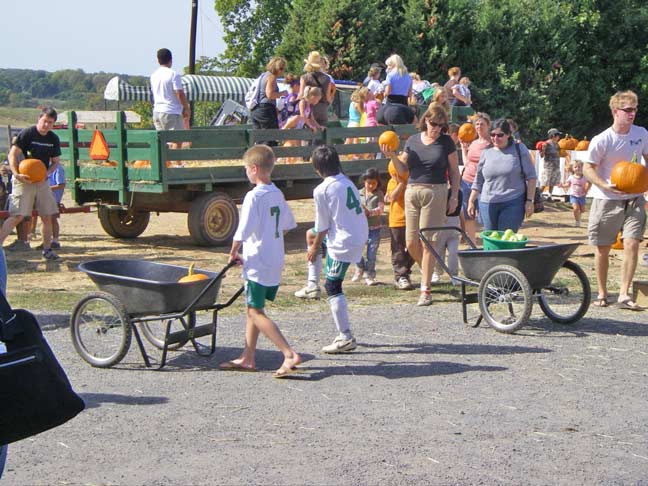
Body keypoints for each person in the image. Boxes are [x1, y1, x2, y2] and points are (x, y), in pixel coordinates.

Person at [220, 145, 301, 377]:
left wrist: (234, 250)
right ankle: (248, 357)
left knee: (256, 311)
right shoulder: (277, 193)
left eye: (246, 168)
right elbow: (286, 224)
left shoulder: (254, 196)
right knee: (252, 308)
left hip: (258, 261)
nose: (246, 172)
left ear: (254, 169)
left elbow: (243, 228)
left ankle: (288, 353)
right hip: (274, 259)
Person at [381, 104, 460, 307]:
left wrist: (453, 196)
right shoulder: (414, 140)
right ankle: (430, 269)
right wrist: (391, 156)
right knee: (410, 243)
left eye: (441, 126)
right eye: (433, 124)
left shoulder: (446, 142)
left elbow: (454, 171)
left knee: (428, 242)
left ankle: (425, 290)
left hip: (436, 191)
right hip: (412, 190)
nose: (436, 128)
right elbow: (402, 168)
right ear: (426, 120)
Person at [583, 90, 648, 310]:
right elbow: (588, 167)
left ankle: (623, 294)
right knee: (603, 248)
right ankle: (602, 292)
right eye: (628, 110)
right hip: (607, 198)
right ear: (615, 112)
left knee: (632, 243)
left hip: (635, 198)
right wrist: (603, 184)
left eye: (635, 109)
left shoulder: (641, 133)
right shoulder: (602, 139)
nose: (632, 114)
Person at [307, 145, 368, 353]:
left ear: (317, 168)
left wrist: (315, 248)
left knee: (332, 286)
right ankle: (310, 285)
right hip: (359, 234)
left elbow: (322, 227)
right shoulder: (346, 181)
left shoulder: (322, 190)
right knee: (309, 234)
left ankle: (345, 336)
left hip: (344, 241)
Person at [0, 107, 62, 260]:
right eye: (44, 121)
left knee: (47, 216)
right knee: (17, 215)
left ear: (53, 124)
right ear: (39, 119)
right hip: (23, 179)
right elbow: (12, 154)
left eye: (50, 123)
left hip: (42, 181)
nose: (46, 125)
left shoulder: (53, 139)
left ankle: (47, 250)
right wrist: (16, 174)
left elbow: (55, 162)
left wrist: (47, 174)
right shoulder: (27, 133)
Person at [468, 118, 537, 233]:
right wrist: (471, 201)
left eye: (500, 135)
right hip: (487, 203)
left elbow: (531, 177)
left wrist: (529, 200)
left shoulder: (519, 149)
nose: (495, 138)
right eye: (492, 134)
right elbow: (479, 180)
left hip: (512, 202)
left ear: (508, 135)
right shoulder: (486, 152)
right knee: (491, 239)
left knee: (506, 240)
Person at [150, 48, 191, 150]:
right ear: (171, 60)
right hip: (171, 111)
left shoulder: (153, 75)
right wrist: (186, 108)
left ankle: (164, 164)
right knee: (177, 139)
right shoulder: (173, 74)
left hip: (157, 111)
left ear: (158, 60)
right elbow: (179, 93)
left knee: (162, 141)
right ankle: (176, 164)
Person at [460, 112, 491, 243]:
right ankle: (471, 243)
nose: (479, 126)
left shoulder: (491, 143)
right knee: (468, 214)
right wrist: (463, 148)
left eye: (482, 124)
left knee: (486, 215)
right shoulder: (473, 143)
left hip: (484, 184)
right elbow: (467, 161)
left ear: (488, 126)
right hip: (467, 181)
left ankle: (488, 241)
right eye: (477, 124)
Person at [385, 158, 415, 290]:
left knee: (414, 247)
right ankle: (400, 275)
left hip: (412, 219)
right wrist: (401, 183)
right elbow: (393, 197)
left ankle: (405, 269)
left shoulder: (412, 181)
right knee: (398, 250)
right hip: (397, 221)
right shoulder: (392, 183)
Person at [352, 168, 384, 286]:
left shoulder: (378, 194)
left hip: (374, 228)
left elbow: (380, 210)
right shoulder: (358, 193)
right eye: (368, 183)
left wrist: (369, 212)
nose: (371, 186)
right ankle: (360, 268)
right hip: (360, 228)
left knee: (371, 253)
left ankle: (369, 274)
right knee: (356, 249)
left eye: (374, 183)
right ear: (364, 181)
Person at [249, 57, 289, 144]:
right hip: (266, 109)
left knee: (259, 138)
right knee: (270, 137)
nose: (282, 72)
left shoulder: (263, 75)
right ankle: (268, 156)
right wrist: (283, 93)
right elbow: (270, 94)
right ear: (278, 68)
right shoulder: (272, 77)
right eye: (282, 69)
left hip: (255, 109)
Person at [376, 54, 414, 126]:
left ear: (393, 64)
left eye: (389, 65)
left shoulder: (390, 75)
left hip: (391, 104)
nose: (388, 68)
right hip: (404, 104)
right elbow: (410, 94)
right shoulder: (409, 77)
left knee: (379, 119)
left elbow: (387, 92)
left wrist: (382, 94)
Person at [300, 51, 335, 128]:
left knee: (308, 135)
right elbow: (328, 98)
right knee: (322, 134)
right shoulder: (327, 78)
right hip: (323, 108)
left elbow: (301, 96)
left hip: (309, 108)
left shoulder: (304, 78)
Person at [431, 213, 460, 284]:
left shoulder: (456, 202)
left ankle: (454, 275)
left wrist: (463, 230)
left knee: (453, 252)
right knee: (438, 253)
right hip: (439, 231)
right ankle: (436, 272)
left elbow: (461, 214)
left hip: (453, 231)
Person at [563, 160, 590, 227]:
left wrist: (586, 190)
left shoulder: (585, 177)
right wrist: (562, 185)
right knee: (575, 209)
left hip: (582, 196)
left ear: (582, 168)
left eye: (579, 167)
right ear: (573, 168)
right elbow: (567, 185)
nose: (577, 168)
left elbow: (589, 183)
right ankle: (577, 221)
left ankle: (579, 216)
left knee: (582, 210)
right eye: (575, 167)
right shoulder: (571, 177)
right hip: (573, 195)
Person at [541, 128, 562, 199]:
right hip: (548, 166)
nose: (559, 137)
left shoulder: (557, 144)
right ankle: (538, 195)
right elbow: (541, 155)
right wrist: (542, 150)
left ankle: (550, 196)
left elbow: (560, 152)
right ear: (553, 135)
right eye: (558, 135)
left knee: (552, 182)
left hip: (556, 165)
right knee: (545, 181)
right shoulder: (546, 143)